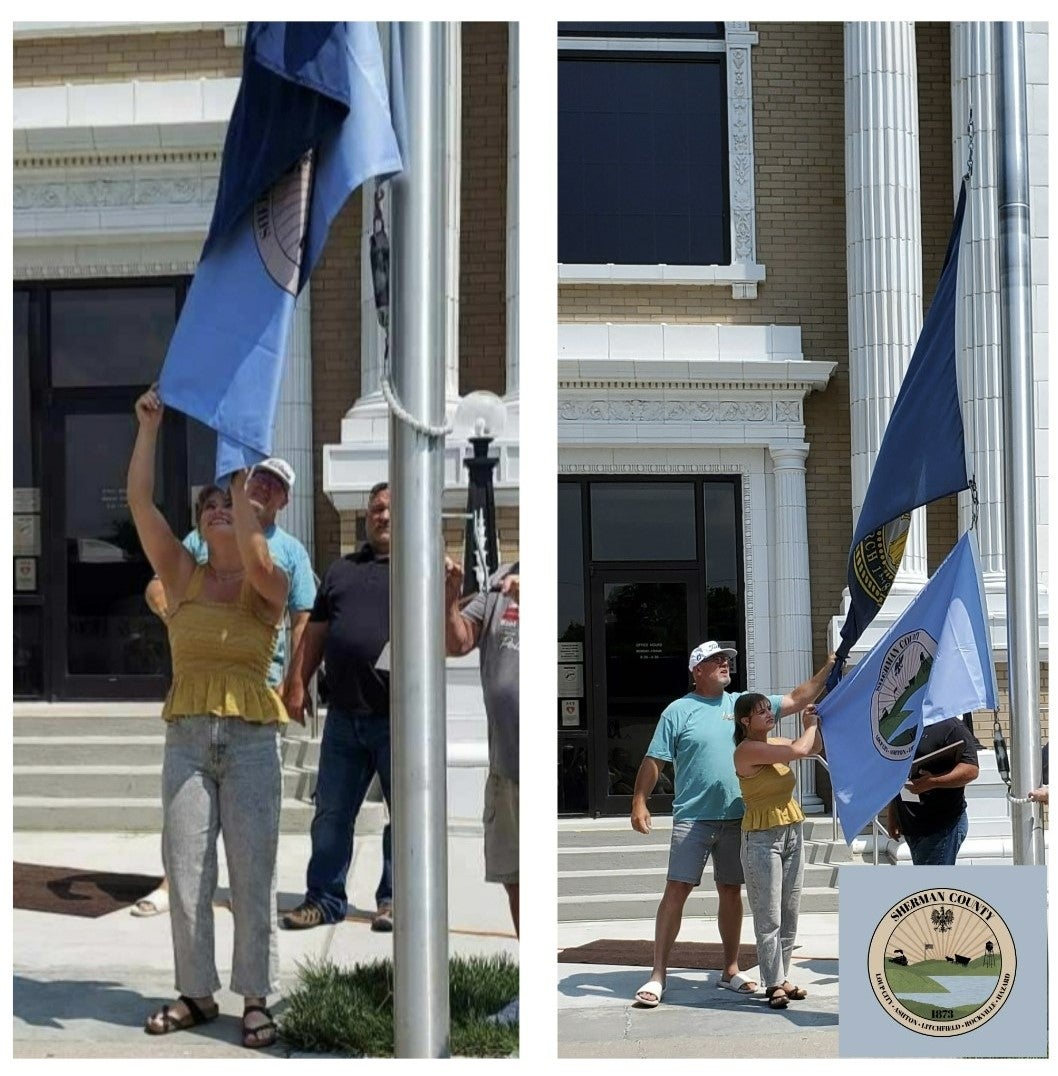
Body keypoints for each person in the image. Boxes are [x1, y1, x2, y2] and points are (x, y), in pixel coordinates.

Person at [127, 387, 288, 1049]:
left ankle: (256, 1000)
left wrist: (242, 493)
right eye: (210, 506)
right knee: (189, 871)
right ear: (198, 523)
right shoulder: (182, 574)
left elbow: (254, 558)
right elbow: (140, 503)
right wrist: (148, 431)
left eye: (228, 504)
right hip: (189, 738)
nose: (218, 510)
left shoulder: (267, 582)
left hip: (250, 742)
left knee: (254, 876)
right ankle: (196, 992)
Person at [132, 457, 320, 919]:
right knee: (186, 827)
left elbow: (303, 618)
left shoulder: (288, 552)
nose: (264, 488)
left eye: (276, 485)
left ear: (284, 499)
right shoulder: (200, 539)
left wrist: (295, 681)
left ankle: (247, 901)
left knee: (250, 830)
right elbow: (160, 581)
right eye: (260, 478)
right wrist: (173, 611)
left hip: (256, 696)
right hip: (197, 692)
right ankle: (169, 882)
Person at [629, 641, 836, 1008]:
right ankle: (658, 975)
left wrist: (828, 669)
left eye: (727, 659)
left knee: (730, 891)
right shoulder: (678, 711)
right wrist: (639, 800)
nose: (725, 663)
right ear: (697, 670)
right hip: (693, 816)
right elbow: (655, 758)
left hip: (740, 817)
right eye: (715, 660)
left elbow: (796, 698)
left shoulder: (743, 704)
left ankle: (730, 969)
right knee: (677, 890)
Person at [281, 481, 394, 932]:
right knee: (330, 814)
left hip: (399, 720)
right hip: (344, 718)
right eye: (376, 509)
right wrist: (296, 682)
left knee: (404, 816)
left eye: (391, 508)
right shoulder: (340, 571)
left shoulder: (420, 568)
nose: (382, 516)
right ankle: (324, 899)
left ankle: (394, 900)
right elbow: (315, 631)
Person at [444, 558, 520, 1026]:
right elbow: (455, 642)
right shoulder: (496, 587)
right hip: (506, 768)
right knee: (517, 880)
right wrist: (451, 593)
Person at [733, 695, 821, 1010]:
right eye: (761, 712)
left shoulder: (776, 742)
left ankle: (783, 976)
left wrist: (815, 723)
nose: (769, 714)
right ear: (745, 721)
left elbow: (812, 748)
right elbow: (799, 749)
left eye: (769, 709)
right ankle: (773, 983)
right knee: (768, 915)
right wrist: (808, 725)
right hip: (761, 838)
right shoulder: (747, 750)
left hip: (791, 830)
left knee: (789, 911)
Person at [886, 715, 980, 865]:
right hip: (912, 826)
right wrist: (893, 814)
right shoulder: (904, 724)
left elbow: (971, 770)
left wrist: (932, 782)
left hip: (941, 826)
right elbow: (898, 775)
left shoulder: (952, 727)